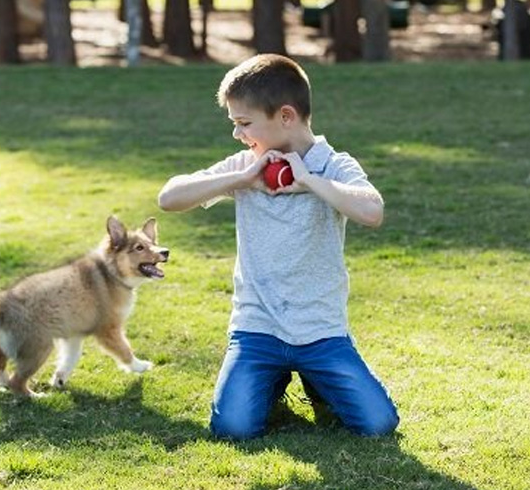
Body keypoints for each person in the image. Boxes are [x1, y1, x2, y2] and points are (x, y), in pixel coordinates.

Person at [157, 54, 399, 440]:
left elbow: (372, 211)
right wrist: (241, 179)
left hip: (321, 331)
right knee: (233, 428)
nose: (238, 134)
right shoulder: (246, 163)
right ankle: (272, 383)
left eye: (244, 123)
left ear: (285, 116)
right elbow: (169, 197)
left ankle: (318, 381)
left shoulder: (333, 165)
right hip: (257, 330)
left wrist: (310, 181)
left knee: (378, 424)